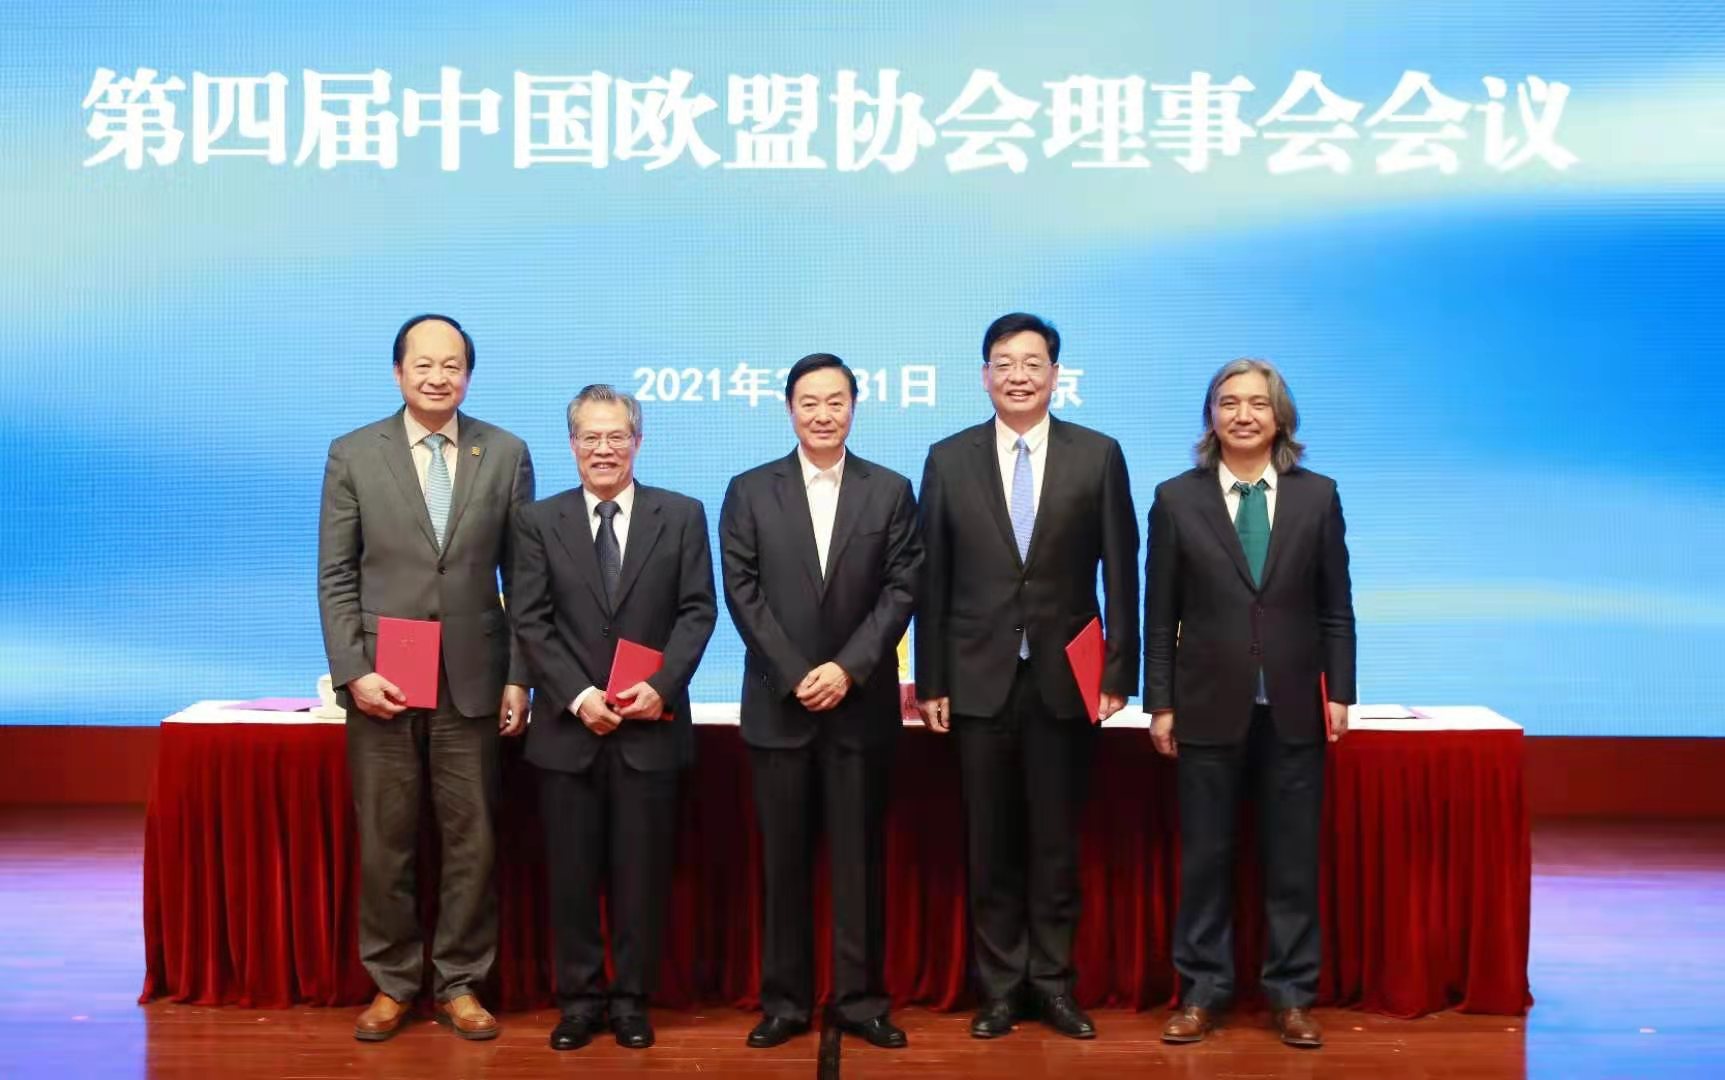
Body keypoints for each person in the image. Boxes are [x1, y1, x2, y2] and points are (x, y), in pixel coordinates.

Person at [915, 313, 1139, 1040]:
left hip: (1065, 679)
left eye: (1032, 362)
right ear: (985, 376)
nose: (1018, 375)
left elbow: (1121, 570)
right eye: (1004, 363)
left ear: (1055, 375)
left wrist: (1119, 668)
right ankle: (1001, 988)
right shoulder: (947, 459)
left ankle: (1053, 984)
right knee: (990, 844)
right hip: (976, 680)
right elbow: (931, 582)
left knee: (1055, 843)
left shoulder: (1097, 455)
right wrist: (931, 679)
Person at [317, 314, 535, 1042]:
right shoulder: (353, 453)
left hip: (473, 678)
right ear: (398, 371)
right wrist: (354, 671)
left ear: (468, 374)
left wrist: (519, 676)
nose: (438, 377)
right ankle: (392, 983)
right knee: (388, 842)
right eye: (424, 364)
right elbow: (335, 575)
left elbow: (523, 578)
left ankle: (461, 983)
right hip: (385, 679)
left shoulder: (504, 452)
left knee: (473, 840)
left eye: (452, 365)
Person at [1143, 358, 1356, 1050]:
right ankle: (1202, 991)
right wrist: (1160, 702)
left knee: (1292, 861)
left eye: (1257, 403)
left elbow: (1335, 608)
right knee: (1206, 859)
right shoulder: (1176, 499)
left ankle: (1290, 995)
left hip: (1294, 705)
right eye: (1228, 402)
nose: (1242, 415)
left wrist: (1340, 692)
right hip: (1207, 705)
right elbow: (1158, 614)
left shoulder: (1317, 497)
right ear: (1210, 416)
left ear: (1279, 417)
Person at [719, 353, 923, 1050]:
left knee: (860, 864)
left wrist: (847, 669)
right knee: (783, 866)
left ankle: (861, 1001)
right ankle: (785, 1001)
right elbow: (742, 591)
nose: (822, 414)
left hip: (859, 710)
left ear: (854, 407)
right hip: (779, 709)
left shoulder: (889, 491)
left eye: (835, 401)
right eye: (809, 402)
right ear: (788, 409)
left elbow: (902, 589)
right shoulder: (749, 490)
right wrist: (797, 672)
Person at [511, 384, 717, 1052]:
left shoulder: (680, 515)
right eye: (591, 437)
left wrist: (661, 686)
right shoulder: (538, 522)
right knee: (570, 879)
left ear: (638, 441)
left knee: (641, 877)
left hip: (650, 728)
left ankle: (630, 1000)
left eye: (616, 436)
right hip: (568, 732)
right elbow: (530, 620)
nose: (604, 449)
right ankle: (578, 1002)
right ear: (572, 444)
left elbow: (698, 611)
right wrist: (577, 695)